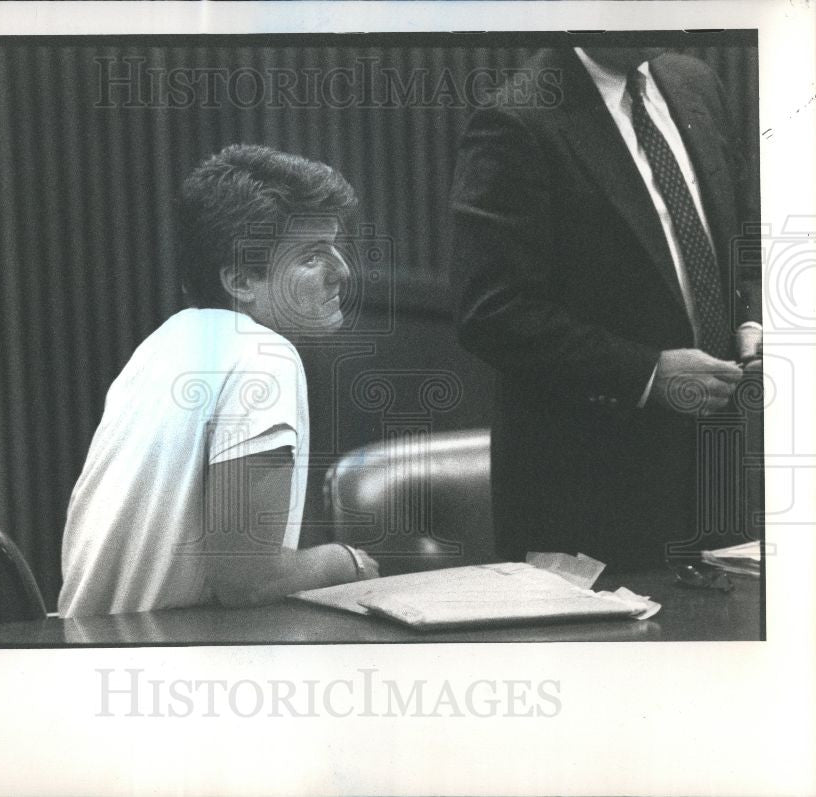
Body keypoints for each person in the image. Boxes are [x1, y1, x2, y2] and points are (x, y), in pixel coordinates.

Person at [450, 47, 762, 570]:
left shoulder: (695, 82)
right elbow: (491, 311)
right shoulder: (517, 119)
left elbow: (739, 231)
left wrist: (750, 317)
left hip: (719, 467)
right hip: (592, 489)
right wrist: (647, 372)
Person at [58, 144, 379, 618]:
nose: (342, 271)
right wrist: (346, 561)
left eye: (335, 247)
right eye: (312, 257)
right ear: (241, 280)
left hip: (97, 657)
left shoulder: (163, 343)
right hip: (163, 669)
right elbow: (248, 581)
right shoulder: (263, 357)